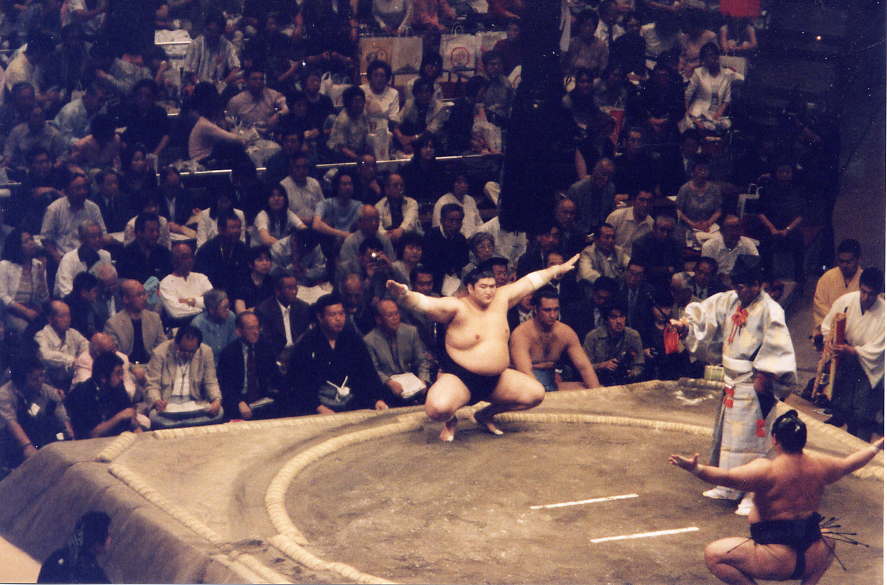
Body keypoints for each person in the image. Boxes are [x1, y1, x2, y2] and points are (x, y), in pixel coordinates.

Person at [670, 411, 885, 585]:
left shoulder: (767, 470)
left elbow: (726, 477)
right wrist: (875, 447)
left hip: (775, 560)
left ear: (774, 439)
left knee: (714, 554)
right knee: (828, 536)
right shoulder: (820, 465)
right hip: (812, 556)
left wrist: (695, 468)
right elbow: (850, 463)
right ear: (803, 440)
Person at [386, 253, 580, 441]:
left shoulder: (502, 298)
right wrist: (404, 295)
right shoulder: (457, 307)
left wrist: (556, 270)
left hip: (496, 379)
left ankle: (485, 414)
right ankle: (450, 419)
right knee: (437, 409)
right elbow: (426, 304)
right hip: (460, 378)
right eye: (483, 287)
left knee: (535, 394)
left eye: (492, 286)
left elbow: (531, 281)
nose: (489, 291)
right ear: (470, 288)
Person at [672, 256, 797, 515]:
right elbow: (703, 314)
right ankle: (728, 485)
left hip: (754, 381)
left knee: (753, 441)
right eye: (740, 286)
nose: (745, 291)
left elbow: (778, 346)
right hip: (730, 380)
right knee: (730, 438)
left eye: (751, 286)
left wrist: (765, 378)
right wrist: (685, 326)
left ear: (760, 284)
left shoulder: (771, 310)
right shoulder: (729, 300)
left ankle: (754, 494)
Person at [289, 294, 389, 415]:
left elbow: (368, 372)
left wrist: (376, 399)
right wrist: (317, 407)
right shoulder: (306, 343)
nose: (338, 319)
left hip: (351, 399)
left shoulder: (353, 339)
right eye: (333, 315)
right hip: (319, 402)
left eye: (341, 314)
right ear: (320, 317)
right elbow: (300, 383)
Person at [820, 268, 884, 440]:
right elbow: (828, 326)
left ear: (879, 293)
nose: (865, 297)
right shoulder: (846, 301)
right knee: (843, 405)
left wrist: (854, 351)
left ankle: (860, 442)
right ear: (859, 287)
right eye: (863, 291)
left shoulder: (884, 313)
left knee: (862, 413)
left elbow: (879, 348)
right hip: (844, 358)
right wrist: (831, 341)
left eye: (871, 294)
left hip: (869, 365)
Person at [510, 286, 600, 391]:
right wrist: (540, 393)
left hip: (551, 384)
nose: (553, 315)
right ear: (535, 309)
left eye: (556, 309)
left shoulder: (565, 332)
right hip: (524, 387)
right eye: (547, 310)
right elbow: (525, 371)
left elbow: (584, 367)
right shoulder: (521, 334)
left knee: (590, 388)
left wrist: (597, 392)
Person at [0, 358, 72, 472]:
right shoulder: (4, 396)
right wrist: (29, 448)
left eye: (42, 376)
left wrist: (71, 441)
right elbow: (12, 425)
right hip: (12, 444)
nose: (41, 381)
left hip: (40, 439)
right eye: (35, 379)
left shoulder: (48, 392)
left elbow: (63, 421)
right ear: (21, 382)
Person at [145, 325, 223, 429]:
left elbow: (211, 381)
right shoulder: (160, 352)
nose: (187, 354)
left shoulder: (206, 352)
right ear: (176, 343)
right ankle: (192, 423)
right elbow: (152, 384)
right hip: (168, 403)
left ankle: (180, 424)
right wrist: (157, 401)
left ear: (198, 347)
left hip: (195, 402)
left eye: (191, 352)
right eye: (183, 350)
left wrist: (216, 400)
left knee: (219, 412)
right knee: (154, 416)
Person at [363, 299, 433, 405]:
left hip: (412, 383)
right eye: (390, 315)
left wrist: (423, 380)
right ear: (379, 319)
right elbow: (374, 370)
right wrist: (389, 382)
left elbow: (422, 361)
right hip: (388, 388)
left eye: (396, 313)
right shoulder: (369, 341)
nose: (395, 318)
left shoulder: (411, 332)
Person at [217, 311, 284, 421]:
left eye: (257, 327)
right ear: (239, 331)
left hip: (262, 399)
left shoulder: (265, 347)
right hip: (239, 400)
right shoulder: (229, 353)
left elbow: (275, 376)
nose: (256, 332)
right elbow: (225, 386)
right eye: (251, 328)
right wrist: (238, 402)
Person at [65, 352, 140, 439]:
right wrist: (119, 417)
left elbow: (130, 416)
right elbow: (92, 434)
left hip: (117, 438)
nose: (121, 377)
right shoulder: (82, 393)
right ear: (103, 378)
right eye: (118, 373)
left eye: (121, 373)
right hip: (88, 443)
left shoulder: (118, 386)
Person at [40, 168, 106, 263]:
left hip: (90, 257)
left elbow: (102, 233)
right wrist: (58, 258)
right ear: (67, 191)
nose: (82, 192)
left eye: (84, 188)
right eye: (78, 189)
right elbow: (46, 239)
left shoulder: (93, 208)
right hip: (64, 258)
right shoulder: (54, 209)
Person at [811, 239, 862, 348]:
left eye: (848, 262)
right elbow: (819, 306)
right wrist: (837, 326)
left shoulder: (864, 280)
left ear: (857, 260)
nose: (844, 265)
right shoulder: (827, 278)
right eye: (841, 261)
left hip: (857, 331)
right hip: (830, 329)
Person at [105, 280, 165, 369]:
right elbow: (115, 355)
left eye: (144, 294)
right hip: (126, 368)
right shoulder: (112, 324)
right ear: (126, 299)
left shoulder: (154, 318)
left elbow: (162, 347)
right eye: (139, 295)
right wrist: (133, 368)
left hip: (152, 366)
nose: (145, 298)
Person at [38, 511, 111, 584]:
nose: (110, 539)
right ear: (97, 542)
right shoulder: (94, 575)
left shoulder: (57, 557)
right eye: (108, 534)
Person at [0, 229, 49, 334]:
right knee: (29, 330)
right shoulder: (5, 265)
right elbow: (2, 296)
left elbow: (43, 299)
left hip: (31, 308)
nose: (31, 243)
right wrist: (25, 311)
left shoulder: (38, 265)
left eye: (31, 239)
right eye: (26, 241)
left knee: (49, 327)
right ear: (17, 246)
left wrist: (41, 277)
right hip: (11, 311)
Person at [583, 303, 645, 386]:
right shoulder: (593, 337)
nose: (619, 321)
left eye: (621, 316)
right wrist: (602, 365)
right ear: (606, 320)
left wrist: (632, 373)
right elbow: (584, 368)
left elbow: (639, 364)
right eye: (613, 317)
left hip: (626, 383)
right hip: (598, 382)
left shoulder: (633, 335)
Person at [35, 300, 90, 390]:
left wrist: (81, 359)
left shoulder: (73, 333)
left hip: (72, 380)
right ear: (50, 319)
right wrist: (71, 360)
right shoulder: (41, 336)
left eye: (68, 315)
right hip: (49, 384)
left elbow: (87, 347)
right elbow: (45, 355)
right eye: (62, 316)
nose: (67, 320)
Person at [255, 274, 312, 360]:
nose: (294, 292)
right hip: (275, 355)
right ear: (277, 291)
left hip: (299, 353)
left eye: (295, 287)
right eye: (289, 288)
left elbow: (305, 333)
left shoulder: (303, 307)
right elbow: (266, 341)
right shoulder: (264, 310)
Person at [158, 243, 213, 325]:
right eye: (185, 257)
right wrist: (203, 310)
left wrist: (190, 301)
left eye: (191, 257)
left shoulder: (201, 278)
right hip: (181, 326)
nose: (189, 260)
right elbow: (176, 312)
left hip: (206, 324)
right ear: (174, 260)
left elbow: (213, 301)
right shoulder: (165, 283)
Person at [54, 220, 112, 298]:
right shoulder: (68, 260)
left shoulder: (106, 256)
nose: (98, 240)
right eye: (93, 237)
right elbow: (66, 293)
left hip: (97, 301)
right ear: (82, 239)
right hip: (69, 302)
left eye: (100, 236)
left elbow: (108, 287)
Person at [422, 203, 470, 293]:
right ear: (442, 220)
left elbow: (463, 263)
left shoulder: (461, 239)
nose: (455, 225)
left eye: (458, 221)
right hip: (433, 281)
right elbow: (428, 264)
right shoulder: (430, 236)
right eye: (451, 220)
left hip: (455, 281)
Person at [117, 212, 173, 284]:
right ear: (139, 232)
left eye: (157, 230)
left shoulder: (164, 253)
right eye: (151, 231)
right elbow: (121, 281)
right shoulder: (126, 255)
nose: (156, 234)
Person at [701, 214, 759, 284]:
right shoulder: (710, 246)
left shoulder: (748, 244)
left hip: (740, 282)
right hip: (716, 282)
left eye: (738, 228)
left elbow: (754, 268)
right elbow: (707, 273)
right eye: (731, 228)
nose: (735, 232)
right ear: (722, 231)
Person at [190, 289, 236, 362]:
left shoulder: (231, 317)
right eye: (224, 307)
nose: (228, 310)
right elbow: (199, 355)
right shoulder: (197, 324)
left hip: (228, 362)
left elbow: (234, 345)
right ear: (211, 310)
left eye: (228, 306)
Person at [578, 223, 629, 287]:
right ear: (596, 239)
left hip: (616, 288)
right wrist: (608, 283)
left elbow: (629, 264)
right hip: (595, 288)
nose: (611, 240)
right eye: (607, 237)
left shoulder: (618, 251)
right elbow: (586, 274)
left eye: (613, 237)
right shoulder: (587, 253)